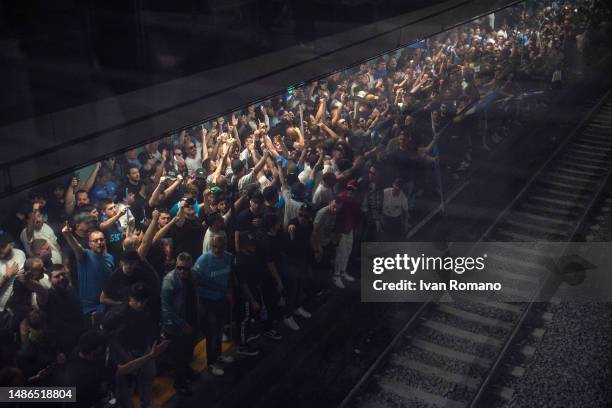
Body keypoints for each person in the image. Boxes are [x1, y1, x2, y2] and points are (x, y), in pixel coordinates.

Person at [62, 330, 169, 408]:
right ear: (94, 353)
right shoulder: (93, 372)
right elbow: (126, 369)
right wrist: (150, 356)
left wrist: (150, 355)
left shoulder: (77, 352)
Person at [109, 283, 159, 408]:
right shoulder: (118, 314)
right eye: (137, 300)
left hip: (144, 349)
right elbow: (111, 339)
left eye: (143, 301)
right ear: (130, 298)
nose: (140, 304)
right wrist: (125, 357)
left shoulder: (145, 309)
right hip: (125, 353)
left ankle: (146, 403)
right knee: (126, 388)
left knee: (148, 377)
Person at [192, 236, 234, 376]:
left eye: (220, 247)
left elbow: (229, 277)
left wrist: (229, 291)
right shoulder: (203, 260)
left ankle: (218, 355)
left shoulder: (228, 258)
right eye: (214, 247)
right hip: (207, 301)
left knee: (220, 329)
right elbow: (194, 281)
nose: (216, 250)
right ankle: (211, 363)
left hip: (221, 299)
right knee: (212, 332)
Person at [160, 252, 198, 395]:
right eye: (179, 268)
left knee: (188, 349)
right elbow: (166, 307)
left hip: (190, 317)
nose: (182, 271)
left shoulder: (192, 276)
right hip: (176, 324)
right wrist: (181, 323)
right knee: (178, 355)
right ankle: (180, 383)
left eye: (185, 268)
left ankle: (187, 371)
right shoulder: (169, 280)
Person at [61, 224, 114, 322]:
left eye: (101, 240)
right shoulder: (85, 256)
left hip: (106, 304)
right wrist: (68, 235)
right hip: (90, 308)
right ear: (90, 244)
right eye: (95, 241)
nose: (99, 243)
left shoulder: (110, 258)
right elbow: (77, 247)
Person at [282, 204, 313, 331]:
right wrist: (290, 228)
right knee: (292, 288)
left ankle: (297, 307)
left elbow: (308, 240)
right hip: (291, 261)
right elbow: (291, 226)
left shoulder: (310, 225)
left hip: (302, 259)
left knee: (300, 285)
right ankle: (288, 316)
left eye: (305, 216)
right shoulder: (293, 224)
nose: (302, 218)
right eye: (300, 214)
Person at [312, 197, 344, 289]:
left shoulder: (335, 213)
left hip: (328, 242)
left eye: (337, 208)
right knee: (319, 269)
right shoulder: (322, 213)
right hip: (320, 244)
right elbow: (315, 231)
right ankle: (318, 289)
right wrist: (317, 248)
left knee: (326, 266)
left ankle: (325, 287)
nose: (335, 209)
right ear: (330, 202)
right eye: (334, 206)